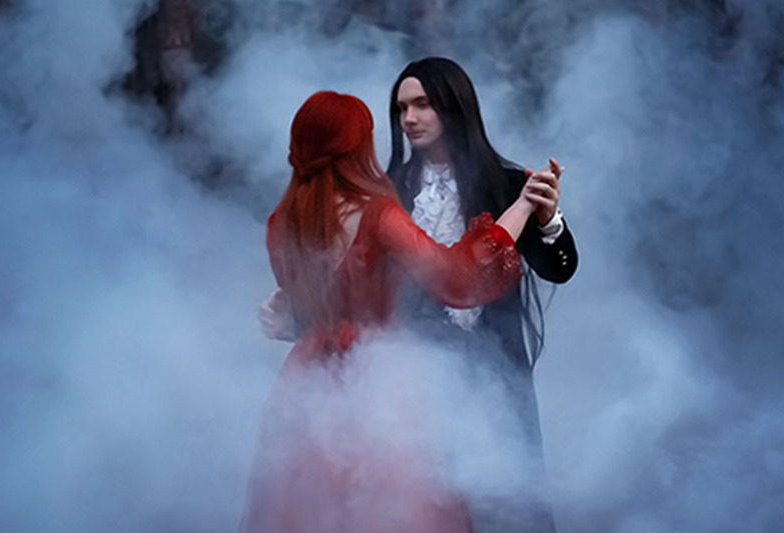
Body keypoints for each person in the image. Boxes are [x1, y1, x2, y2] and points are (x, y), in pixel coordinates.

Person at [242, 90, 540, 533]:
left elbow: (307, 301)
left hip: (307, 381)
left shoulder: (280, 223)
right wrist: (521, 208)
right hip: (379, 375)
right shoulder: (377, 214)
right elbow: (456, 280)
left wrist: (288, 312)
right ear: (356, 146)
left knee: (310, 506)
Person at [386, 57, 579, 533]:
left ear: (454, 106)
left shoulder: (508, 183)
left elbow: (560, 269)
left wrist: (548, 220)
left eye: (422, 105)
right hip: (412, 378)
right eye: (401, 109)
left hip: (494, 372)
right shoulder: (388, 190)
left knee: (504, 503)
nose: (408, 119)